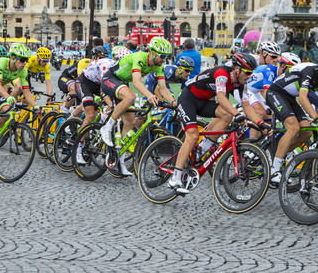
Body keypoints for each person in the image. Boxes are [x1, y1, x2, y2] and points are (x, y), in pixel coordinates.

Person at [167, 53, 266, 193]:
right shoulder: (222, 74)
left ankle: (203, 148)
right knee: (193, 136)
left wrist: (260, 123)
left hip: (203, 102)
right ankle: (175, 178)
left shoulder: (239, 83)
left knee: (226, 115)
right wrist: (237, 114)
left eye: (251, 72)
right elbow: (220, 98)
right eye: (248, 72)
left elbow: (247, 106)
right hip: (188, 99)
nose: (249, 76)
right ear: (237, 69)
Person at [100, 37, 176, 175]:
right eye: (162, 56)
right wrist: (149, 95)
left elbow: (163, 88)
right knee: (131, 96)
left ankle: (120, 162)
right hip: (111, 78)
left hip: (123, 82)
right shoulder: (140, 57)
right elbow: (136, 82)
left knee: (130, 122)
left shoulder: (158, 65)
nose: (164, 59)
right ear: (152, 52)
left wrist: (174, 102)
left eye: (167, 57)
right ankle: (107, 126)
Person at [266, 49, 318, 184]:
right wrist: (316, 117)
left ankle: (280, 153)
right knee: (293, 127)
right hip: (275, 93)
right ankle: (274, 171)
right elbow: (303, 98)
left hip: (289, 97)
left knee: (307, 131)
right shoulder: (310, 71)